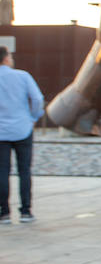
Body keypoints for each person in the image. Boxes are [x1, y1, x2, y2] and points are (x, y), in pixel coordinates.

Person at [0, 46, 43, 225]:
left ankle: (4, 213)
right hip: (23, 129)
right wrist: (33, 117)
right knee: (24, 171)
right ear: (6, 58)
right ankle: (26, 211)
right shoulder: (22, 76)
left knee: (2, 171)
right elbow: (38, 99)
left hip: (1, 132)